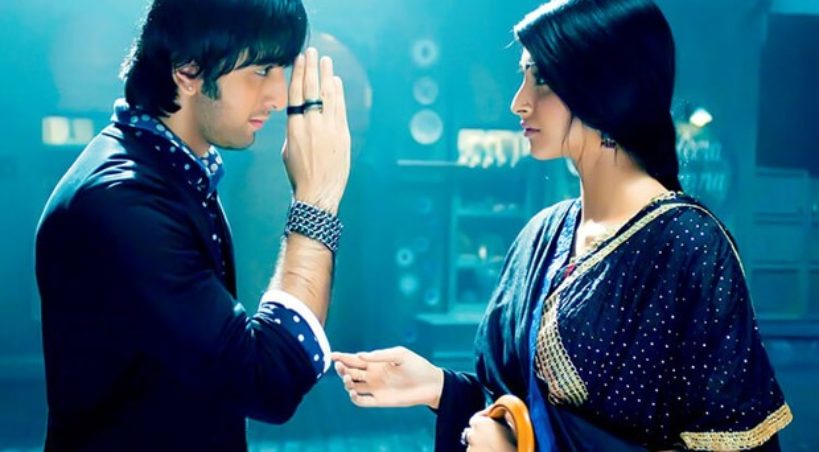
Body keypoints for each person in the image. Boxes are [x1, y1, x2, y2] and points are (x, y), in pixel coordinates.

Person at [332, 0, 791, 450]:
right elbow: (520, 407)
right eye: (524, 77)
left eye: (543, 80)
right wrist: (438, 387)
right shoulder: (542, 234)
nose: (519, 103)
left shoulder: (688, 245)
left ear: (607, 88)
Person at [34, 0, 351, 449]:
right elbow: (267, 381)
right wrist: (316, 199)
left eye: (281, 71)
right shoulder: (122, 201)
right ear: (188, 70)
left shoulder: (170, 171)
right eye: (261, 71)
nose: (278, 97)